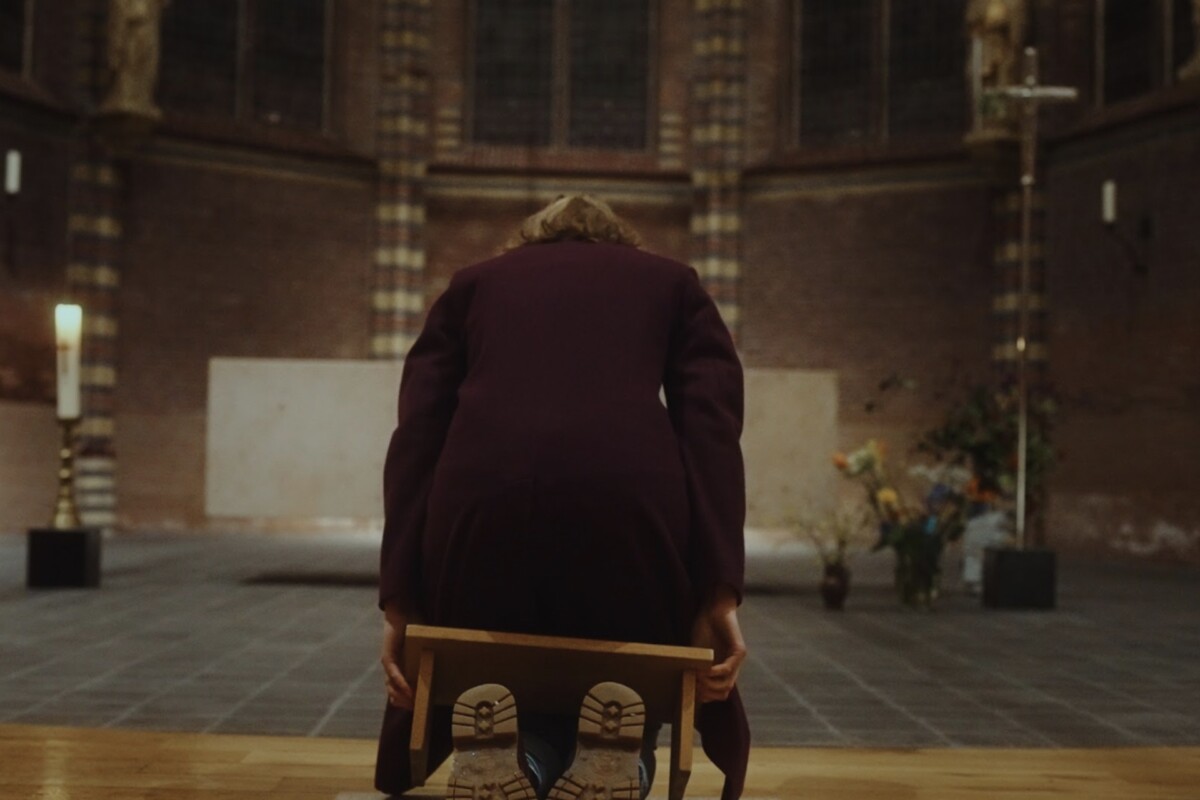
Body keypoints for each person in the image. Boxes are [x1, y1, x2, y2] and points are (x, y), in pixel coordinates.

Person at [375, 195, 750, 800]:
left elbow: (418, 433)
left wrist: (401, 596)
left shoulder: (472, 284)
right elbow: (710, 431)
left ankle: (523, 761)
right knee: (631, 669)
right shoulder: (672, 283)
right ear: (619, 239)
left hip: (480, 506)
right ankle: (623, 761)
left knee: (501, 657)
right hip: (628, 505)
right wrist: (720, 589)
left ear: (529, 239)